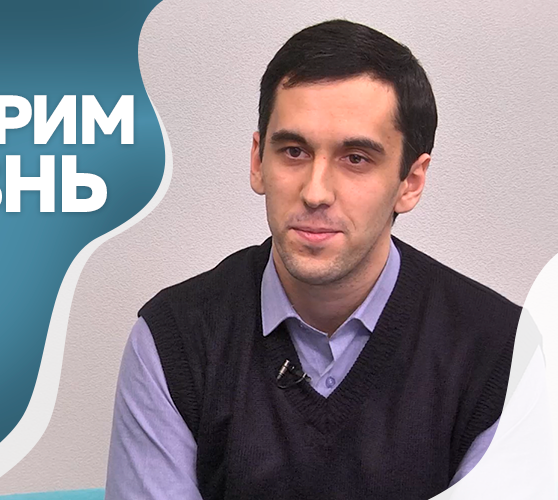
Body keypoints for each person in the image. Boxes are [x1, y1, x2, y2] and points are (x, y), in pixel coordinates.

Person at [105, 19, 519, 500]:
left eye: (356, 158)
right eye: (294, 151)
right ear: (258, 161)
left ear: (410, 181)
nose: (316, 192)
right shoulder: (172, 340)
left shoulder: (504, 355)